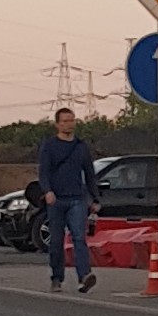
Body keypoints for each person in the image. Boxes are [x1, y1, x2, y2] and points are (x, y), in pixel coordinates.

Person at [37, 108, 100, 293]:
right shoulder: (50, 146)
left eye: (72, 120)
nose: (69, 124)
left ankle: (84, 276)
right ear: (58, 124)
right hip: (56, 201)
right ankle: (57, 278)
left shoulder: (81, 147)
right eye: (65, 121)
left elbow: (89, 173)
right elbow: (44, 172)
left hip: (77, 200)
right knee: (56, 241)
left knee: (79, 238)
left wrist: (94, 198)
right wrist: (47, 191)